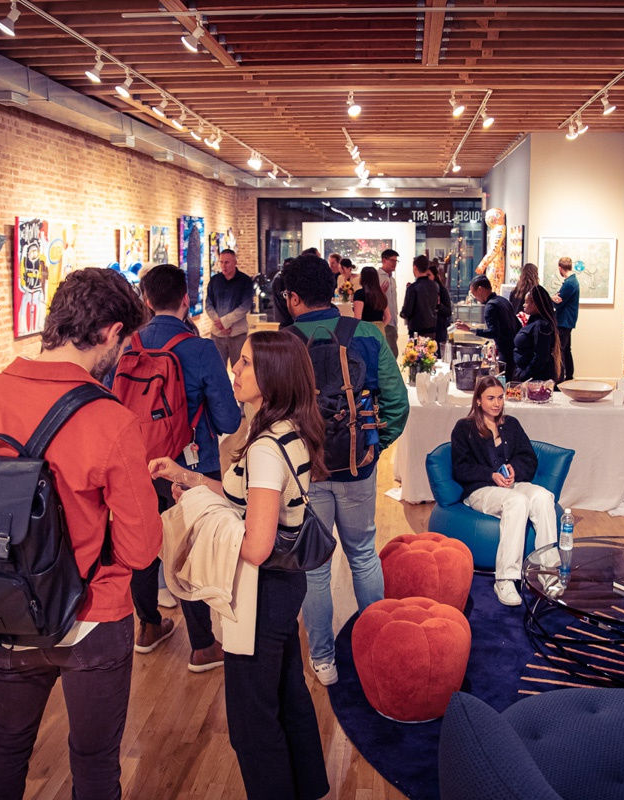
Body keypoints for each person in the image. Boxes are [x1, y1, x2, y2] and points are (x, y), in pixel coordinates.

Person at [0, 268, 162, 800]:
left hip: (4, 609)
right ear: (109, 332)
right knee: (95, 762)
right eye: (123, 342)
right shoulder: (109, 419)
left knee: (7, 745)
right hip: (93, 615)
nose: (121, 356)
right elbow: (143, 550)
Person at [152, 331, 330, 800]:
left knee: (252, 723)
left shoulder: (266, 447)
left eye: (247, 363)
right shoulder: (281, 429)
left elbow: (255, 545)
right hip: (279, 587)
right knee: (287, 694)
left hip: (262, 591)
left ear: (271, 376)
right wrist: (189, 479)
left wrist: (204, 518)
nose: (235, 369)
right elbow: (240, 496)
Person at [282, 254, 409, 685]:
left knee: (315, 567)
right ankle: (376, 647)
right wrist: (373, 445)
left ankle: (323, 660)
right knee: (362, 554)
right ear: (333, 290)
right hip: (357, 468)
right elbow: (398, 404)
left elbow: (269, 412)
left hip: (305, 472)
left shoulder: (283, 343)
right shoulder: (367, 334)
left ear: (294, 298)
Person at [112, 264, 243, 670]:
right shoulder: (200, 349)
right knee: (191, 547)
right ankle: (203, 645)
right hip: (190, 466)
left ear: (146, 301)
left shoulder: (127, 346)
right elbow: (228, 421)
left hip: (137, 462)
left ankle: (148, 626)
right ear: (186, 299)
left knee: (143, 545)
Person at [450, 376, 558, 606]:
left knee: (543, 497)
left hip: (511, 485)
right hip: (481, 489)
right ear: (478, 400)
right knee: (517, 502)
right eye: (490, 398)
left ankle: (548, 571)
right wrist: (491, 474)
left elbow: (528, 457)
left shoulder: (511, 424)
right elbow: (461, 468)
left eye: (500, 398)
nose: (497, 403)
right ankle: (506, 579)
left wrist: (514, 469)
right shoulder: (464, 428)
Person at [456, 274, 520, 380]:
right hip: (515, 350)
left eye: (473, 294)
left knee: (505, 382)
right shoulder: (503, 300)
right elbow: (517, 325)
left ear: (480, 289)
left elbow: (493, 332)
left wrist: (470, 329)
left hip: (505, 351)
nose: (475, 298)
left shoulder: (491, 306)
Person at [205, 248, 254, 369]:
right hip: (217, 334)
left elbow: (245, 306)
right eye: (221, 262)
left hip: (237, 333)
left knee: (240, 369)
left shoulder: (245, 281)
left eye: (227, 262)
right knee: (217, 370)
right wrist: (219, 323)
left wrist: (224, 322)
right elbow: (208, 304)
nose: (223, 265)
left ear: (235, 262)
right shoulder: (214, 280)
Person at [513, 285, 559, 382]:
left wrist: (524, 375)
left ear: (535, 304)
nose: (523, 305)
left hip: (535, 379)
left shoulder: (542, 325)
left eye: (526, 302)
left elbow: (541, 357)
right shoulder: (534, 322)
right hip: (528, 375)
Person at [399, 254, 440, 338]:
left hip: (416, 331)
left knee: (416, 350)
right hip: (432, 329)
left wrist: (402, 314)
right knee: (430, 350)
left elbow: (407, 311)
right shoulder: (435, 286)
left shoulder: (413, 288)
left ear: (415, 268)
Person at [552, 256, 579, 382]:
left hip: (563, 321)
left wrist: (552, 299)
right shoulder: (572, 282)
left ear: (560, 268)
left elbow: (558, 303)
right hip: (567, 321)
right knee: (566, 350)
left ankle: (560, 379)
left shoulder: (569, 283)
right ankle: (568, 377)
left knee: (561, 351)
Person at [378, 248, 400, 357]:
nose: (394, 264)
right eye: (392, 260)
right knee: (391, 354)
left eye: (396, 261)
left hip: (393, 321)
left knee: (392, 352)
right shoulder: (377, 277)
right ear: (384, 260)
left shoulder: (392, 279)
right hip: (384, 321)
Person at [352, 265, 389, 332]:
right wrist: (380, 327)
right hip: (379, 331)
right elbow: (388, 317)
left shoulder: (359, 294)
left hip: (365, 330)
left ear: (362, 278)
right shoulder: (381, 294)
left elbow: (357, 318)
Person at [428, 262, 453, 347]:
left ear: (435, 276)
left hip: (439, 328)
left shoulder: (442, 290)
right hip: (426, 329)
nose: (426, 278)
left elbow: (448, 312)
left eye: (429, 275)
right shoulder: (422, 290)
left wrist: (439, 305)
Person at [269, 258, 294, 329]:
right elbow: (283, 299)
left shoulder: (280, 278)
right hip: (285, 320)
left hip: (285, 320)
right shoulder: (280, 280)